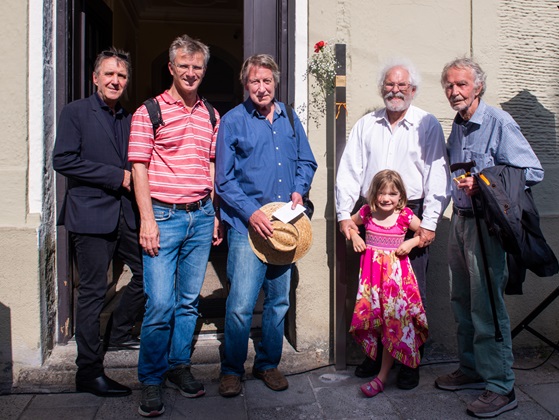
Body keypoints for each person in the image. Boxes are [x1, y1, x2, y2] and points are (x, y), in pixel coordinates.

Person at [435, 57, 543, 418]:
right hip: (461, 222)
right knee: (461, 301)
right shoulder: (459, 124)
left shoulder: (498, 122)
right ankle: (472, 370)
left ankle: (501, 386)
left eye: (461, 84)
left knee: (487, 306)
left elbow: (533, 170)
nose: (454, 92)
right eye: (449, 86)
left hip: (487, 228)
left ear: (478, 86)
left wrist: (483, 182)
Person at [335, 59, 450, 389]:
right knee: (372, 296)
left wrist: (428, 225)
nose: (395, 90)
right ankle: (373, 356)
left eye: (402, 85)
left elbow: (437, 175)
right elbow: (349, 171)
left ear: (413, 90)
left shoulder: (426, 124)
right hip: (372, 215)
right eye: (389, 84)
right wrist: (346, 217)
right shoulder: (366, 124)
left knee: (412, 297)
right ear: (382, 88)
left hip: (409, 214)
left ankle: (409, 362)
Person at [128, 34, 223, 417]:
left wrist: (213, 213)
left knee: (187, 302)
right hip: (163, 218)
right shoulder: (148, 111)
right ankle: (150, 380)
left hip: (200, 216)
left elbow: (211, 166)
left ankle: (177, 367)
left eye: (197, 66)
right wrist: (147, 220)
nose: (190, 73)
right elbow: (139, 168)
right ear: (171, 68)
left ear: (204, 70)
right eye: (183, 65)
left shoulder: (210, 115)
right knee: (161, 303)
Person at [215, 54, 317, 398]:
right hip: (248, 228)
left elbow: (307, 160)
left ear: (276, 83)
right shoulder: (233, 121)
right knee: (242, 304)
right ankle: (231, 370)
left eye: (267, 81)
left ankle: (268, 364)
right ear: (246, 85)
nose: (262, 88)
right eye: (255, 82)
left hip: (286, 228)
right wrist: (250, 213)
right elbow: (224, 181)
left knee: (277, 303)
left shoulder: (289, 116)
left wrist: (298, 190)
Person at [52, 48, 144, 397]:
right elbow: (63, 160)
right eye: (109, 74)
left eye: (121, 76)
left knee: (149, 275)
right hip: (90, 215)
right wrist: (115, 177)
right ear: (95, 78)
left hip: (126, 216)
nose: (115, 81)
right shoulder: (75, 112)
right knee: (92, 293)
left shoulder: (130, 117)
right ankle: (89, 372)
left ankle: (118, 331)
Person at [348, 169, 428, 397]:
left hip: (396, 283)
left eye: (392, 193)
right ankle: (379, 364)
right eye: (382, 193)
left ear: (400, 196)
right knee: (378, 322)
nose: (386, 198)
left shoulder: (405, 216)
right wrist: (355, 236)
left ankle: (382, 376)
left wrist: (411, 243)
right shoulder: (366, 213)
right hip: (372, 282)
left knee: (394, 322)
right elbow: (349, 225)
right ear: (374, 194)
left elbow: (425, 233)